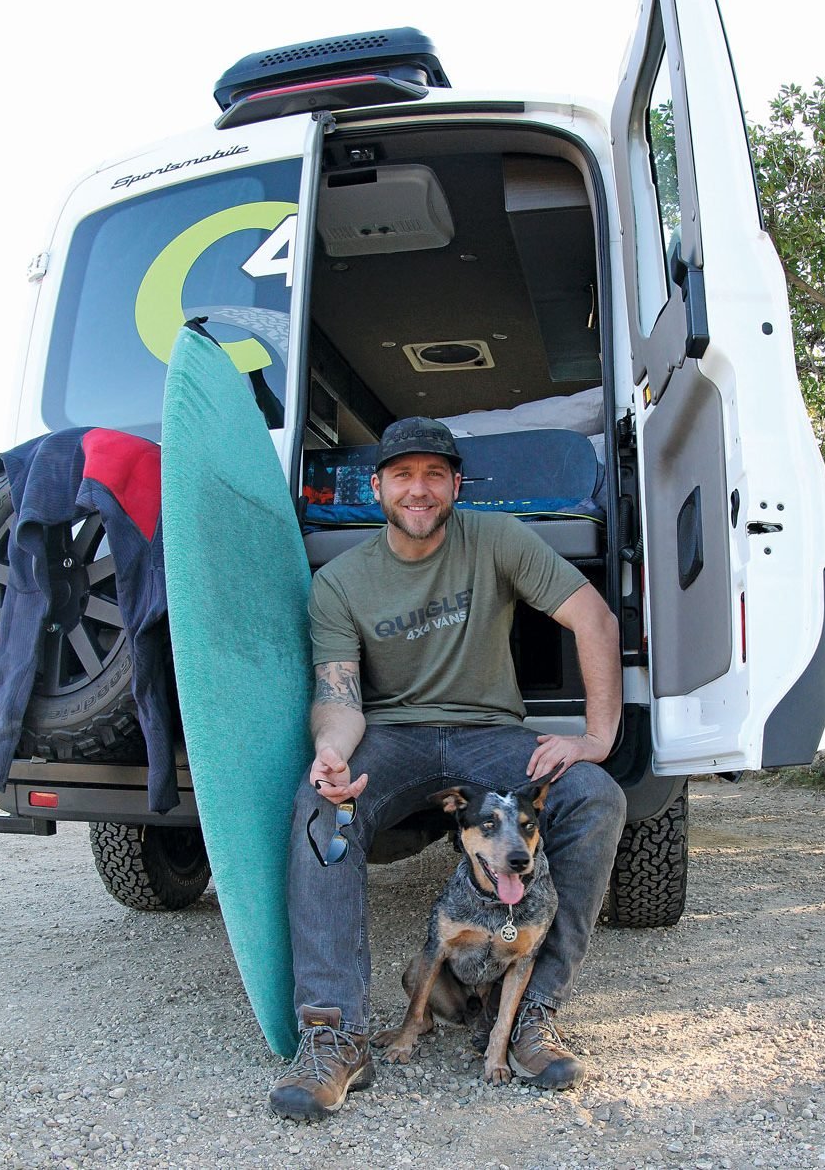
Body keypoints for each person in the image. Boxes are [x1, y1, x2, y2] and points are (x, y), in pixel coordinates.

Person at [269, 416, 626, 1121]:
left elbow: (595, 620)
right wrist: (332, 752)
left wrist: (596, 738)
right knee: (322, 811)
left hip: (487, 734)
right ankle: (335, 1035)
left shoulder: (495, 538)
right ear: (377, 488)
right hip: (393, 735)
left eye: (435, 474)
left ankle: (529, 1016)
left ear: (456, 485)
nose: (419, 489)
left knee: (595, 797)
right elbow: (337, 694)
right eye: (402, 474)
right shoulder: (340, 582)